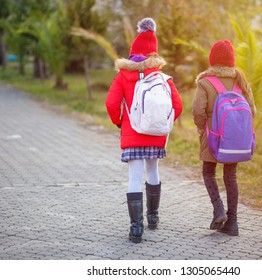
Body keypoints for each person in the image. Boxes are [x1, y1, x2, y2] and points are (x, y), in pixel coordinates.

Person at [106, 18, 183, 243]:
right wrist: (162, 124)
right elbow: (177, 106)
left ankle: (135, 228)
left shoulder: (123, 75)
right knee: (153, 172)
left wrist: (120, 122)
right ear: (154, 54)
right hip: (155, 135)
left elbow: (111, 104)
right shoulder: (162, 77)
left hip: (132, 133)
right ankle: (153, 217)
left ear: (133, 52)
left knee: (134, 176)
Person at [192, 39, 256, 236]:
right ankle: (233, 223)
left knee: (208, 172)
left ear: (212, 60)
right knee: (231, 176)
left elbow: (197, 110)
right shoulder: (241, 81)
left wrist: (202, 128)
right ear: (231, 60)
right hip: (235, 139)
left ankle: (218, 209)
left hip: (213, 136)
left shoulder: (205, 82)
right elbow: (252, 110)